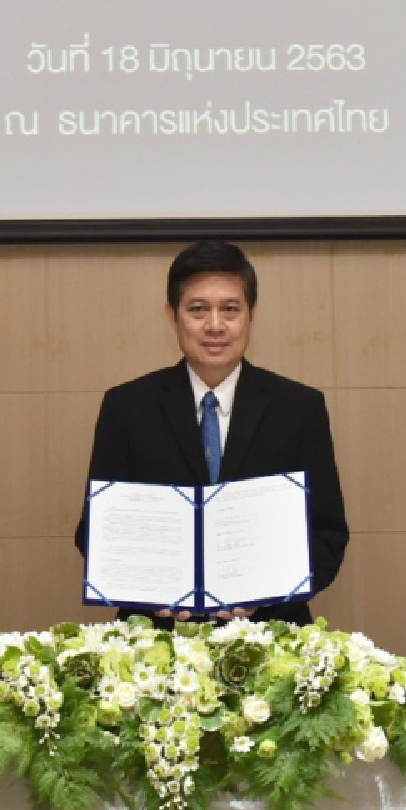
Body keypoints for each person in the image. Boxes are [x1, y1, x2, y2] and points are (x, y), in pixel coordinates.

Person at [75, 240, 348, 624]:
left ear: (251, 315)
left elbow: (327, 533)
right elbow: (96, 531)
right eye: (198, 309)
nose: (215, 325)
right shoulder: (127, 407)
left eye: (230, 309)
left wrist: (268, 595)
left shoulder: (299, 407)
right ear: (172, 316)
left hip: (272, 634)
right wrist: (150, 596)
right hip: (155, 636)